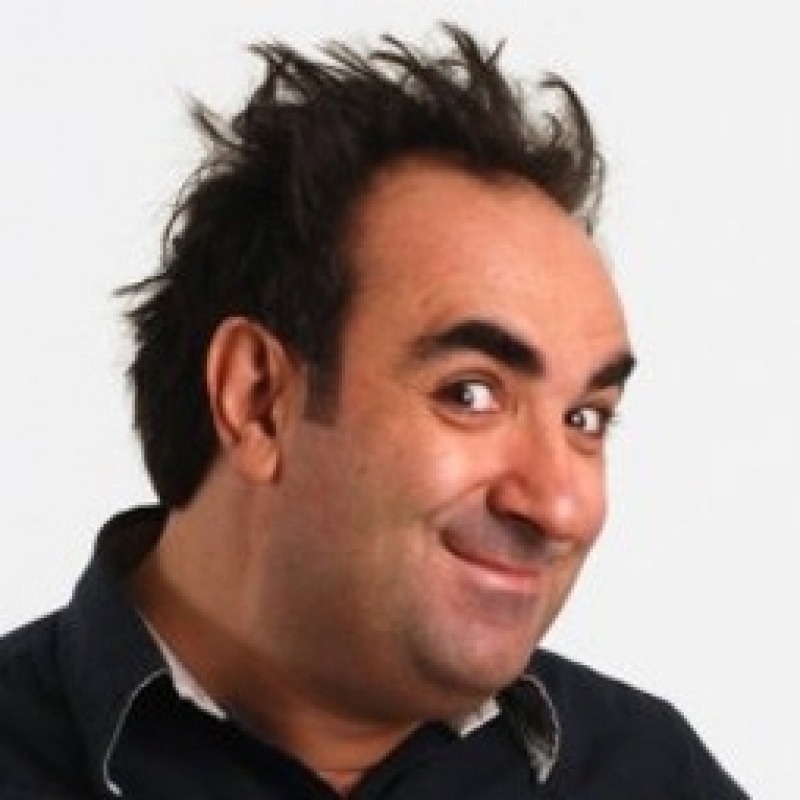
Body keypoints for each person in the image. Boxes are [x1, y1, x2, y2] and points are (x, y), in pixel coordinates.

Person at [0, 24, 747, 799]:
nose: (561, 507)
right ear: (259, 401)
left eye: (586, 418)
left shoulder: (650, 773)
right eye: (471, 393)